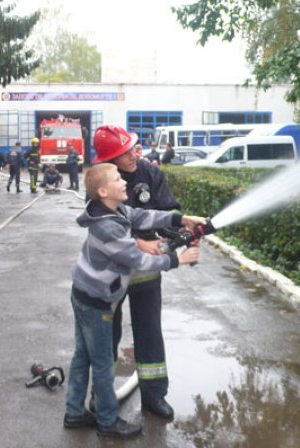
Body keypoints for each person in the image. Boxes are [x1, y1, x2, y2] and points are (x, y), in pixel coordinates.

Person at [64, 163, 203, 438]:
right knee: (103, 363)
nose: (125, 182)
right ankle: (107, 422)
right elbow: (137, 259)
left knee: (82, 356)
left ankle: (74, 412)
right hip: (96, 303)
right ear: (104, 191)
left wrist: (179, 219)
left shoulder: (114, 211)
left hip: (83, 293)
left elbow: (142, 216)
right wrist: (177, 259)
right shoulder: (107, 227)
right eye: (118, 179)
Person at [92, 125, 182, 421]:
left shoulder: (150, 174)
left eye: (132, 147)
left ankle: (154, 396)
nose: (134, 154)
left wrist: (177, 234)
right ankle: (102, 395)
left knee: (149, 332)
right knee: (107, 334)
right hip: (111, 274)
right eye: (124, 152)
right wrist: (139, 242)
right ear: (110, 159)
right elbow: (103, 227)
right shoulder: (99, 181)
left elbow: (167, 209)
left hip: (145, 271)